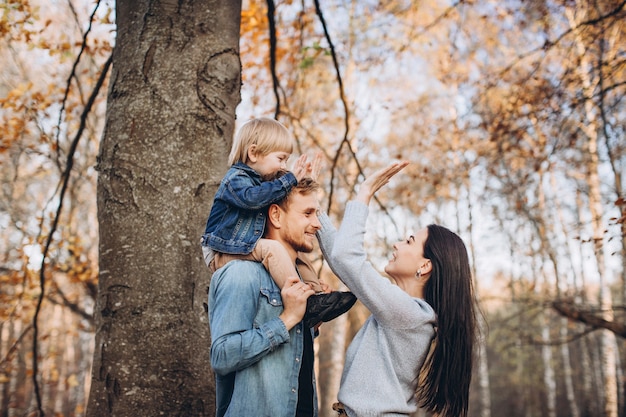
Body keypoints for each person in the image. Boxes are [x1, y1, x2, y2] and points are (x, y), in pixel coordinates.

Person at [316, 162, 478, 417]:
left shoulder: (410, 314)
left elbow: (347, 257)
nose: (396, 245)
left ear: (425, 266)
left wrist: (365, 192)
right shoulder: (407, 312)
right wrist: (310, 205)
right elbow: (342, 260)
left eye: (409, 241)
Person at [201, 117, 355, 327]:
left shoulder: (260, 183)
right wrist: (289, 180)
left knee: (296, 257)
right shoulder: (235, 179)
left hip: (241, 244)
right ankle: (305, 302)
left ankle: (316, 299)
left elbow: (278, 196)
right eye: (281, 159)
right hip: (221, 251)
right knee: (272, 249)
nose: (284, 166)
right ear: (254, 153)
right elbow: (254, 198)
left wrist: (303, 185)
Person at [209, 177, 324, 417]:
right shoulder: (242, 273)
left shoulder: (300, 284)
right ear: (276, 216)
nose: (317, 224)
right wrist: (286, 320)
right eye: (308, 213)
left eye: (317, 214)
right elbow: (221, 356)